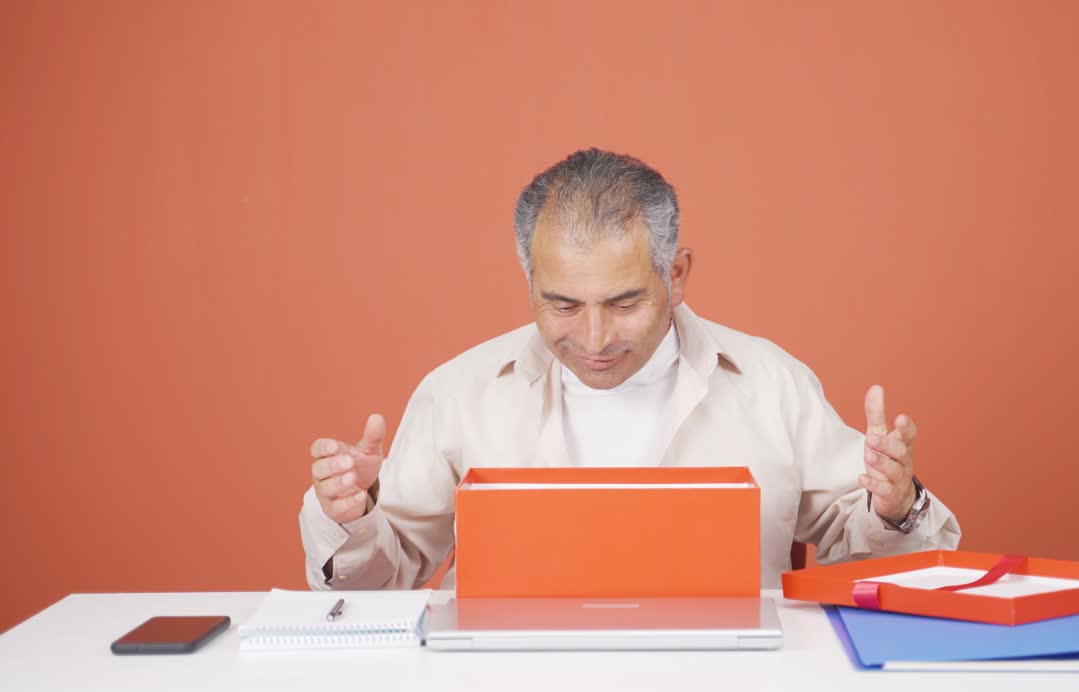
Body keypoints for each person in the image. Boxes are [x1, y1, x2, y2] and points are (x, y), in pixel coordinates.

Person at [300, 148, 961, 590]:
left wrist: (895, 508)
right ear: (529, 281)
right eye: (562, 304)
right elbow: (382, 585)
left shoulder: (771, 385)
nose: (594, 339)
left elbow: (880, 569)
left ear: (677, 275)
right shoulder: (457, 394)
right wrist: (354, 518)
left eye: (623, 304)